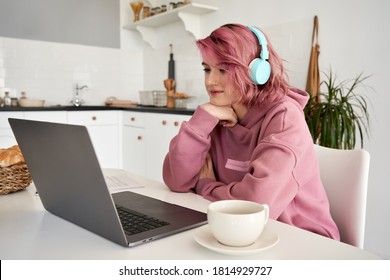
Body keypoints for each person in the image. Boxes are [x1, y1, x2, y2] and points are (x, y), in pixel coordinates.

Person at [162, 23, 340, 240]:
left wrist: (206, 185)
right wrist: (202, 118)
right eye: (207, 69)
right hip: (239, 234)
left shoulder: (284, 119)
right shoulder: (218, 114)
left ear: (257, 72)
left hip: (303, 241)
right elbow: (176, 181)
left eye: (224, 69)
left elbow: (254, 206)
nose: (210, 81)